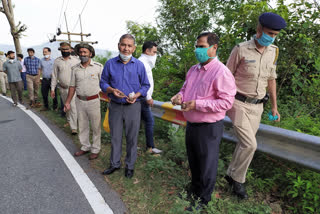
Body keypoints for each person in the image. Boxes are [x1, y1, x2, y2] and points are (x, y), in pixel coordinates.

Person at [171, 32, 236, 210]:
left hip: (209, 127)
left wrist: (197, 104)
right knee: (194, 161)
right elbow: (185, 89)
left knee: (207, 165)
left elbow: (226, 102)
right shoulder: (194, 69)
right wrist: (179, 96)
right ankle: (194, 191)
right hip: (192, 124)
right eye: (197, 46)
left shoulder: (221, 72)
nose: (198, 49)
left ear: (214, 48)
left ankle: (203, 200)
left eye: (202, 46)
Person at [225, 12, 286, 199]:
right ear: (259, 29)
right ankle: (239, 181)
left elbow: (271, 80)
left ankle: (230, 174)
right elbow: (226, 77)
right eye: (269, 33)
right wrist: (224, 102)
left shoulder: (273, 51)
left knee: (244, 145)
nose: (271, 37)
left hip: (258, 106)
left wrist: (274, 106)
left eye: (275, 35)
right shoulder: (241, 49)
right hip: (238, 103)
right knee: (250, 144)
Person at [100, 34, 150, 178]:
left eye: (129, 46)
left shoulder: (139, 65)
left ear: (134, 48)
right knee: (115, 136)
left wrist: (138, 95)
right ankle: (114, 164)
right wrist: (111, 90)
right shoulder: (110, 64)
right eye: (123, 45)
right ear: (118, 46)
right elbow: (103, 83)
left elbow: (146, 85)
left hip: (133, 107)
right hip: (115, 105)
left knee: (132, 137)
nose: (126, 48)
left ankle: (130, 166)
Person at [64, 43, 102, 160]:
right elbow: (72, 86)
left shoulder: (98, 67)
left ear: (90, 53)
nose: (82, 54)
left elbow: (104, 85)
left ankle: (95, 149)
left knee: (96, 126)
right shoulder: (75, 69)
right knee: (83, 125)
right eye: (80, 52)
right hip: (79, 100)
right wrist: (68, 102)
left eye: (85, 52)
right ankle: (85, 146)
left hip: (94, 101)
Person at [138, 41, 162, 154]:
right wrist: (148, 97)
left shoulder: (140, 62)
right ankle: (150, 147)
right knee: (149, 122)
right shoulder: (143, 63)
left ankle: (135, 145)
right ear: (147, 51)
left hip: (139, 97)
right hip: (143, 98)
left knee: (138, 122)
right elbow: (143, 82)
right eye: (154, 52)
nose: (155, 55)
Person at [51, 42, 80, 135]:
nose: (65, 51)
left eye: (67, 49)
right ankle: (69, 121)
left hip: (74, 88)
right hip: (63, 88)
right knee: (67, 107)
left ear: (71, 50)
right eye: (63, 50)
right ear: (61, 50)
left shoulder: (76, 60)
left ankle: (74, 128)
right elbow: (54, 76)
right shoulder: (57, 61)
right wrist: (52, 89)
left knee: (73, 107)